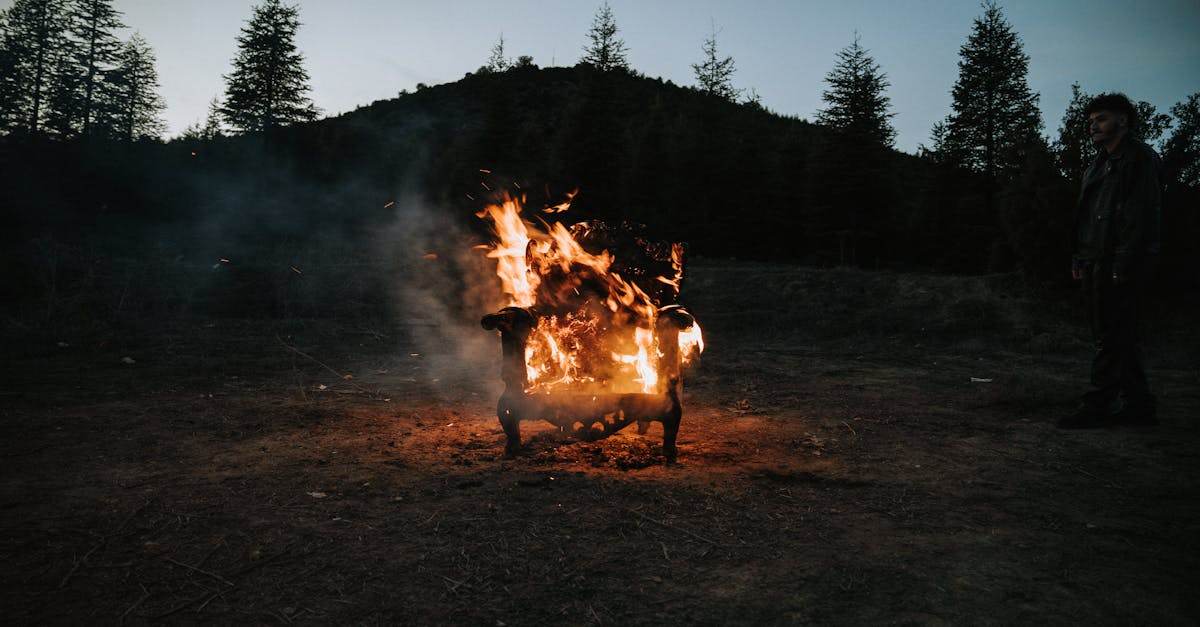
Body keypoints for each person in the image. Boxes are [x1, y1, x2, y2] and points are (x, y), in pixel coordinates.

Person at [1059, 93, 1162, 429]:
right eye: (1090, 121)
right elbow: (1087, 215)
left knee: (1111, 333)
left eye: (1100, 119)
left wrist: (1123, 262)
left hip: (1119, 260)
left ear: (1122, 120)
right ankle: (1139, 406)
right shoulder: (1099, 163)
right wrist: (1079, 254)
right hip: (1095, 258)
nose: (1093, 126)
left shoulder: (1138, 160)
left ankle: (1098, 405)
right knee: (1116, 333)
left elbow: (1140, 216)